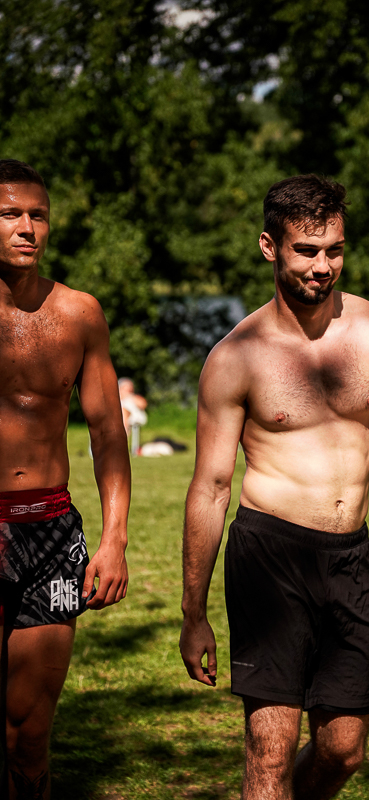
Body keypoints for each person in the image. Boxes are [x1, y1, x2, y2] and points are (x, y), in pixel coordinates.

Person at [179, 174, 369, 800]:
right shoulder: (236, 356)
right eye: (306, 251)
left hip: (349, 558)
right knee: (270, 753)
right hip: (269, 556)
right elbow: (211, 488)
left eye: (334, 250)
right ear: (269, 247)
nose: (322, 266)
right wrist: (193, 613)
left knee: (343, 751)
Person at [0, 159, 130, 799]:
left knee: (29, 736)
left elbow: (108, 433)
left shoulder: (79, 313)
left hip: (51, 532)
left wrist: (114, 539)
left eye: (38, 215)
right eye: (10, 214)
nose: (27, 228)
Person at [118, 377, 148, 455]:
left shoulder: (133, 398)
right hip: (118, 418)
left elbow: (143, 404)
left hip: (133, 417)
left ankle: (121, 441)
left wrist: (129, 396)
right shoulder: (115, 398)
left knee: (123, 411)